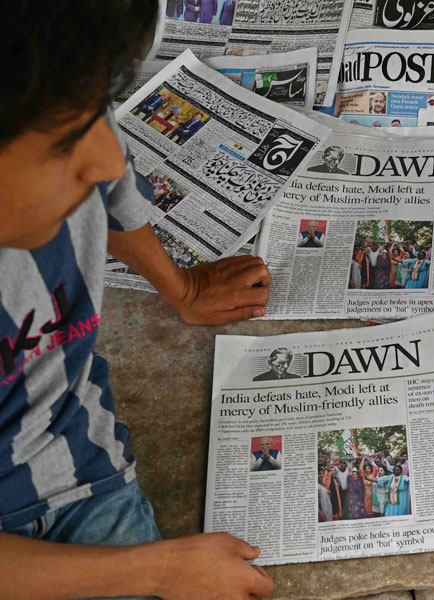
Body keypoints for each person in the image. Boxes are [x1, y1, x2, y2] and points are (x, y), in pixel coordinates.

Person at [0, 4, 275, 598]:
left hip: (75, 467)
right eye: (64, 141)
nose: (106, 157)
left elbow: (114, 191)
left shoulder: (40, 84)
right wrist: (156, 569)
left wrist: (184, 288)